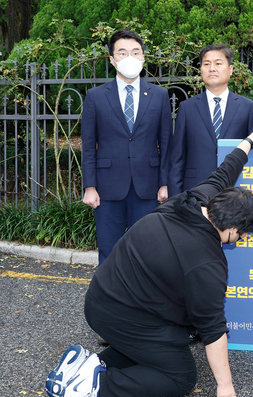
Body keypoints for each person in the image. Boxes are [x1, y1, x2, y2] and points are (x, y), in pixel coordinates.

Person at [45, 129, 253, 397]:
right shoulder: (207, 262)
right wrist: (225, 387)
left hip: (103, 298)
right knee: (180, 375)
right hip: (121, 315)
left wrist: (250, 141)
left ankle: (91, 364)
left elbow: (225, 171)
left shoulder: (196, 199)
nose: (242, 239)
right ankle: (95, 385)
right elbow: (213, 329)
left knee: (175, 340)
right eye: (244, 235)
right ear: (233, 229)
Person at [81, 29, 172, 264]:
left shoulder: (159, 95)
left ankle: (142, 300)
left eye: (135, 52)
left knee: (146, 251)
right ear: (112, 59)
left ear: (143, 57)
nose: (129, 58)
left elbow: (166, 143)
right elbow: (89, 145)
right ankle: (108, 300)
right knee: (109, 252)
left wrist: (165, 183)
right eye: (122, 53)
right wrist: (89, 186)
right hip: (107, 188)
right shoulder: (96, 96)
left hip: (148, 187)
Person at [169, 44, 253, 195]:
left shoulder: (247, 107)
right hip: (195, 190)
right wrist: (175, 200)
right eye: (206, 64)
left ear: (230, 70)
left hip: (235, 189)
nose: (212, 68)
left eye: (218, 63)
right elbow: (177, 157)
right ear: (201, 69)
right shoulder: (187, 108)